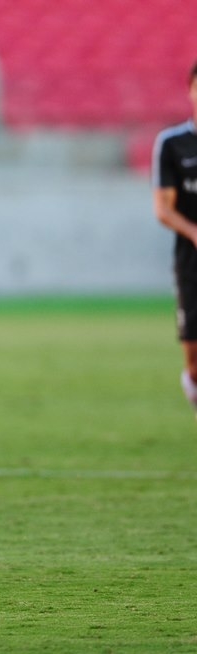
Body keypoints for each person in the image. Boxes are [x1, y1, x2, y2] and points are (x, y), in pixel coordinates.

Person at [154, 58, 197, 414]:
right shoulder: (173, 144)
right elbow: (163, 209)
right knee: (195, 362)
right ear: (191, 91)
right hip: (191, 262)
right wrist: (194, 232)